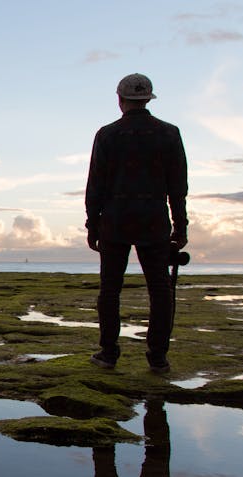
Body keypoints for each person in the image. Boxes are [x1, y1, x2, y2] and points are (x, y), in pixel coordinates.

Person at [85, 73, 188, 373]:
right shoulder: (169, 133)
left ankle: (108, 353)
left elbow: (95, 184)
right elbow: (178, 186)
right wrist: (180, 226)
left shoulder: (108, 135)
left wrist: (93, 224)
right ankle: (158, 356)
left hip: (115, 219)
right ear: (147, 99)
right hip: (153, 220)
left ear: (120, 100)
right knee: (160, 290)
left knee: (110, 290)